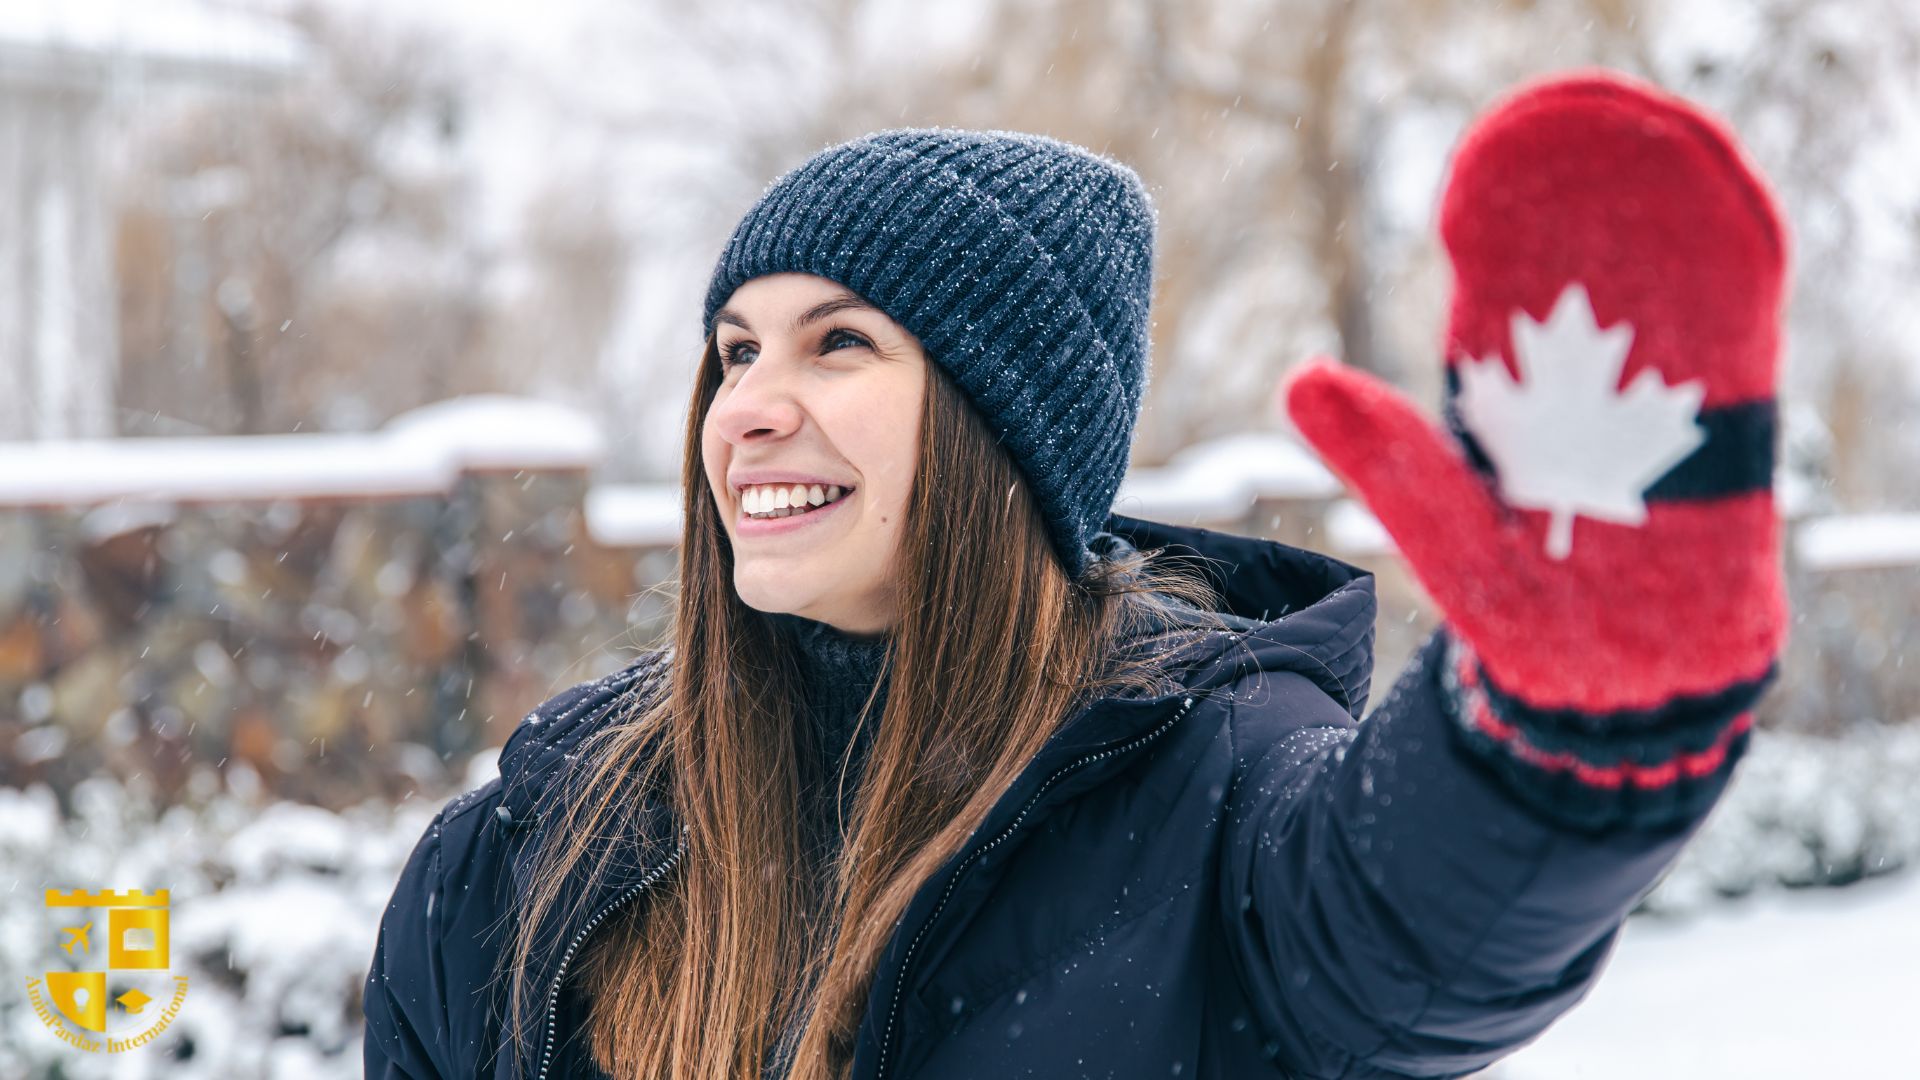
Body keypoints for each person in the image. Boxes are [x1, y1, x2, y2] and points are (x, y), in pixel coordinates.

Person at [363, 69, 1787, 1080]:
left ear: (1004, 431)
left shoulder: (1216, 794)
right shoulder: (529, 853)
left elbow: (1417, 932)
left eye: (838, 342)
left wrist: (1559, 735)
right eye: (735, 350)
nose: (744, 409)